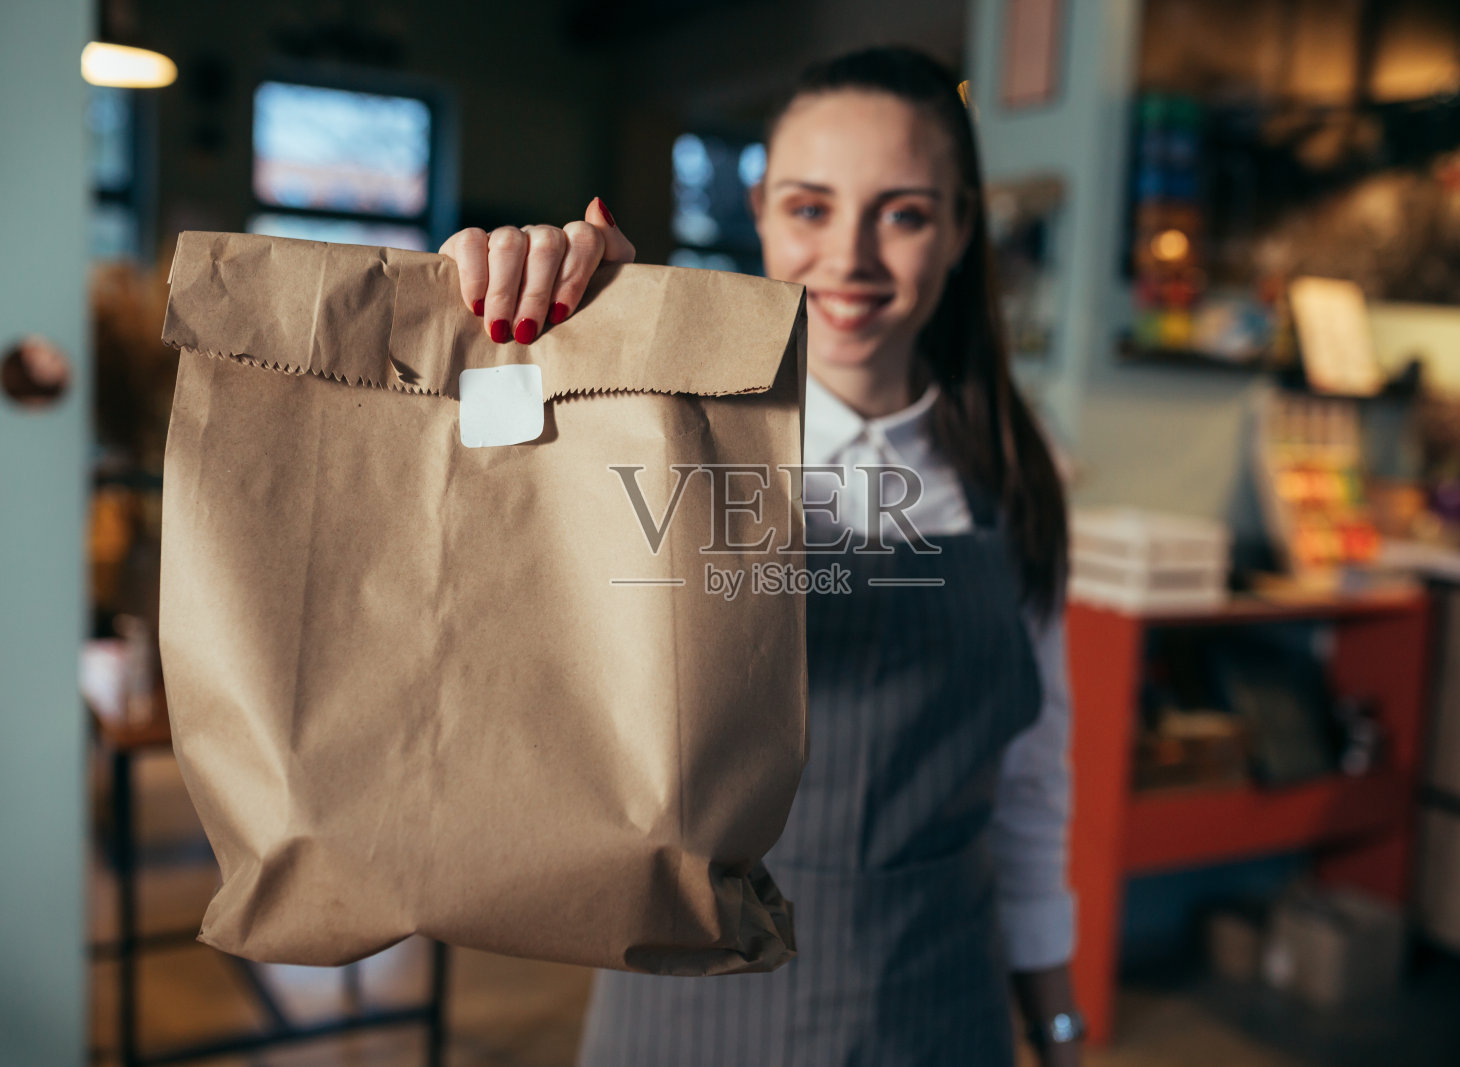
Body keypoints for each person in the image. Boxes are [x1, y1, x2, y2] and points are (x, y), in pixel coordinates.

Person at [440, 45, 1081, 1067]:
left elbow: (1032, 782)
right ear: (761, 212)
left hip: (939, 996)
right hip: (692, 1000)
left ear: (963, 227)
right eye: (811, 207)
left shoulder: (1019, 468)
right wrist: (544, 343)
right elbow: (504, 634)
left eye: (904, 213)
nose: (851, 256)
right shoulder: (664, 429)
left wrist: (1057, 1023)